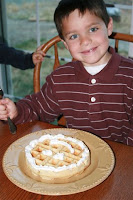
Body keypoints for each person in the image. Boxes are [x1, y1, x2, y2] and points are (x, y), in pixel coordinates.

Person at [0, 0, 133, 146]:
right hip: (76, 156)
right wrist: (17, 111)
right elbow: (37, 108)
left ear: (108, 27)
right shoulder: (60, 79)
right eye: (74, 36)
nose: (85, 41)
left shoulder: (129, 75)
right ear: (65, 44)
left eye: (93, 29)